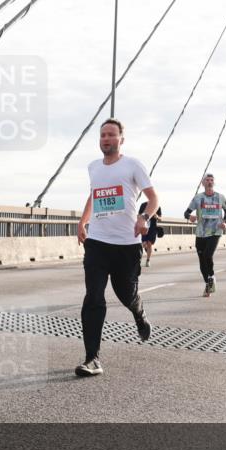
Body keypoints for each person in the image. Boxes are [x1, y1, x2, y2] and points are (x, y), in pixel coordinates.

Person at [75, 118, 157, 377]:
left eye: (111, 135)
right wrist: (83, 221)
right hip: (97, 242)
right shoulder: (93, 167)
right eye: (102, 135)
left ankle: (139, 311)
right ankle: (92, 358)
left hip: (126, 244)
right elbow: (94, 195)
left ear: (121, 139)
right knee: (94, 297)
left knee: (125, 294)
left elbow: (153, 198)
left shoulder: (132, 165)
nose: (106, 139)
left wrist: (144, 218)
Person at [184, 173, 226, 297]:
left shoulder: (220, 197)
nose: (209, 182)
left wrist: (225, 222)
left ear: (213, 183)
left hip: (215, 231)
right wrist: (190, 217)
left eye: (211, 180)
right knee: (201, 261)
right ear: (203, 183)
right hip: (200, 233)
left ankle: (211, 277)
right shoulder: (198, 198)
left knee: (207, 255)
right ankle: (208, 284)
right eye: (207, 180)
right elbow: (186, 213)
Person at [138, 201, 162, 267]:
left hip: (153, 227)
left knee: (149, 243)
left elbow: (160, 219)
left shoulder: (157, 206)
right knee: (144, 244)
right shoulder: (143, 205)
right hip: (144, 226)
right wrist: (145, 216)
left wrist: (156, 216)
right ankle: (146, 250)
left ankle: (148, 260)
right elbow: (139, 215)